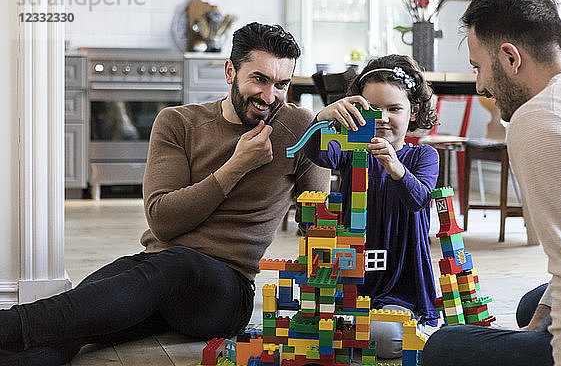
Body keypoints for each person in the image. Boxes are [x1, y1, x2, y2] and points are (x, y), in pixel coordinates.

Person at [0, 22, 330, 366]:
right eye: (259, 79)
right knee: (76, 324)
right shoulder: (178, 122)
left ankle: (8, 324)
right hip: (159, 268)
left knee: (176, 265)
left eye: (282, 84)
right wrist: (236, 165)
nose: (269, 96)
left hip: (225, 292)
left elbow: (322, 225)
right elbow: (163, 222)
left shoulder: (299, 129)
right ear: (230, 71)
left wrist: (329, 138)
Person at [421, 0, 561, 366]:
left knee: (444, 348)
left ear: (510, 58)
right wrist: (539, 324)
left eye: (478, 68)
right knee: (531, 308)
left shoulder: (541, 119)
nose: (481, 85)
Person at [303, 54, 440, 358]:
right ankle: (350, 326)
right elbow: (316, 152)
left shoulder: (423, 156)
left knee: (389, 336)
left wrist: (395, 167)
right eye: (373, 109)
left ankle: (376, 326)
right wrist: (321, 117)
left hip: (400, 279)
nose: (383, 118)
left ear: (413, 111)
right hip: (354, 275)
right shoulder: (352, 150)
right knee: (319, 322)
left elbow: (419, 199)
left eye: (394, 109)